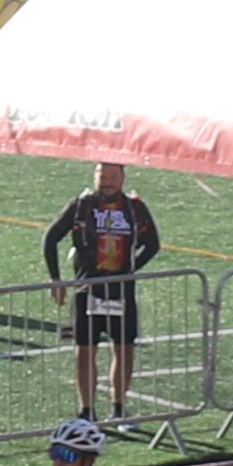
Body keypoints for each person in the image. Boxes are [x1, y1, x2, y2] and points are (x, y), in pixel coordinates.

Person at [44, 162, 164, 438]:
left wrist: (131, 268)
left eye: (112, 176)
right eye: (102, 176)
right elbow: (50, 238)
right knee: (84, 350)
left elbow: (154, 243)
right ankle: (86, 411)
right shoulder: (80, 205)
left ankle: (118, 409)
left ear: (122, 178)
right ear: (94, 177)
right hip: (87, 290)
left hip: (121, 290)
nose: (107, 181)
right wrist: (56, 279)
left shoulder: (134, 208)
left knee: (123, 349)